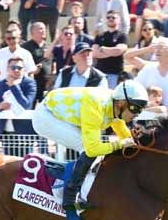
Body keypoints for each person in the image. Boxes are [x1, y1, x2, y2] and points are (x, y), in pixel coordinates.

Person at [32, 80, 148, 210]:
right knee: (88, 149)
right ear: (121, 103)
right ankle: (68, 198)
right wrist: (121, 143)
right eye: (134, 108)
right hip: (45, 117)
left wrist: (131, 140)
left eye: (140, 111)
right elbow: (92, 149)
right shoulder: (97, 104)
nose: (136, 114)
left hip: (59, 114)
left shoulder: (115, 105)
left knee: (95, 153)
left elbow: (119, 125)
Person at [0, 57, 37, 157]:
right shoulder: (0, 84)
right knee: (9, 167)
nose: (16, 70)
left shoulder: (30, 83)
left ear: (24, 69)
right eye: (13, 67)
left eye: (19, 67)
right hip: (6, 133)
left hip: (24, 134)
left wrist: (13, 86)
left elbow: (26, 104)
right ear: (7, 69)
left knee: (25, 166)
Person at [92, 10, 129, 88]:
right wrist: (112, 52)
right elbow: (95, 53)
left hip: (115, 74)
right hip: (99, 73)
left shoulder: (122, 36)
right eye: (108, 17)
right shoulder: (99, 36)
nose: (110, 19)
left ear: (119, 20)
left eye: (113, 17)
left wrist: (102, 49)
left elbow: (119, 51)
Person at [21, 22, 50, 106]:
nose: (43, 30)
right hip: (32, 84)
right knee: (30, 107)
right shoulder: (26, 47)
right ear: (32, 32)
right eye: (40, 29)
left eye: (44, 28)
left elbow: (53, 61)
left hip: (45, 85)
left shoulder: (47, 46)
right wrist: (32, 70)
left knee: (45, 108)